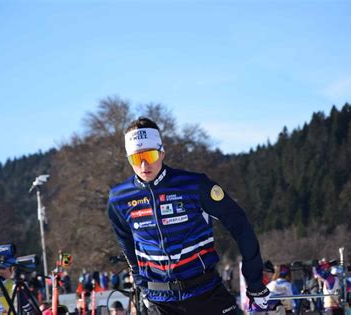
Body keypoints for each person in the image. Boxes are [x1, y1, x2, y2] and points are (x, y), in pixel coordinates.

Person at [107, 117, 269, 315]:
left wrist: (254, 282)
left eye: (149, 155)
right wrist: (143, 286)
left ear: (161, 152)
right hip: (160, 302)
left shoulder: (194, 185)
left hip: (206, 293)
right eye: (135, 158)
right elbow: (126, 245)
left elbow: (240, 225)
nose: (143, 165)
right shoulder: (119, 198)